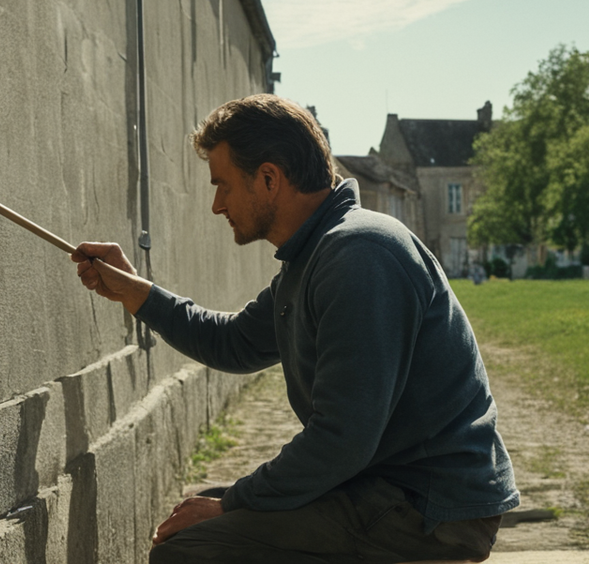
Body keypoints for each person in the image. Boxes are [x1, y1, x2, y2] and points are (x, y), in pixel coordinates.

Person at [72, 94, 518, 563]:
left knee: (189, 550)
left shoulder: (358, 255)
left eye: (223, 185)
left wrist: (233, 502)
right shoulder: (318, 254)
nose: (216, 205)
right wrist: (136, 292)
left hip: (428, 509)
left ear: (269, 179)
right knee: (204, 510)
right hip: (386, 488)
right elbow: (235, 342)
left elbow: (342, 440)